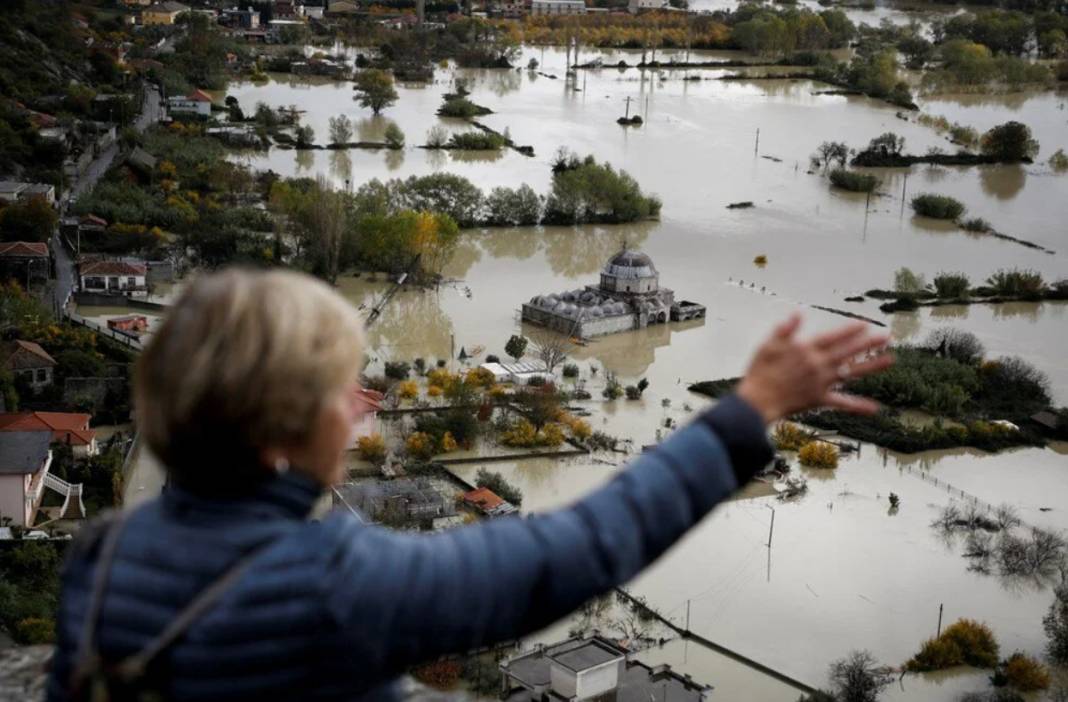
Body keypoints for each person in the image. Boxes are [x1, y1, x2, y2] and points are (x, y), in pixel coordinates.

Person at [48, 268, 892, 702]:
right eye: (342, 391)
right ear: (286, 430)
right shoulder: (335, 582)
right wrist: (749, 413)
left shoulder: (104, 552)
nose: (360, 407)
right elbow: (582, 547)